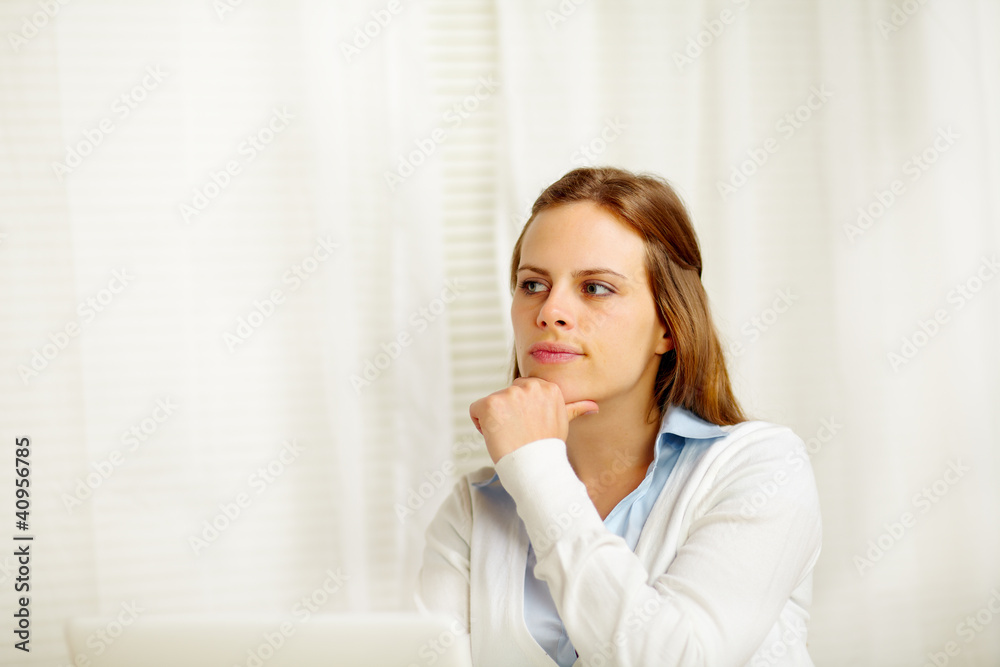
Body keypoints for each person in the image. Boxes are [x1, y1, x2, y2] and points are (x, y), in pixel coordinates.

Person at [416, 166, 822, 666]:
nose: (550, 312)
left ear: (668, 328)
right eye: (532, 284)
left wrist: (536, 467)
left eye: (596, 288)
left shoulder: (762, 468)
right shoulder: (474, 511)